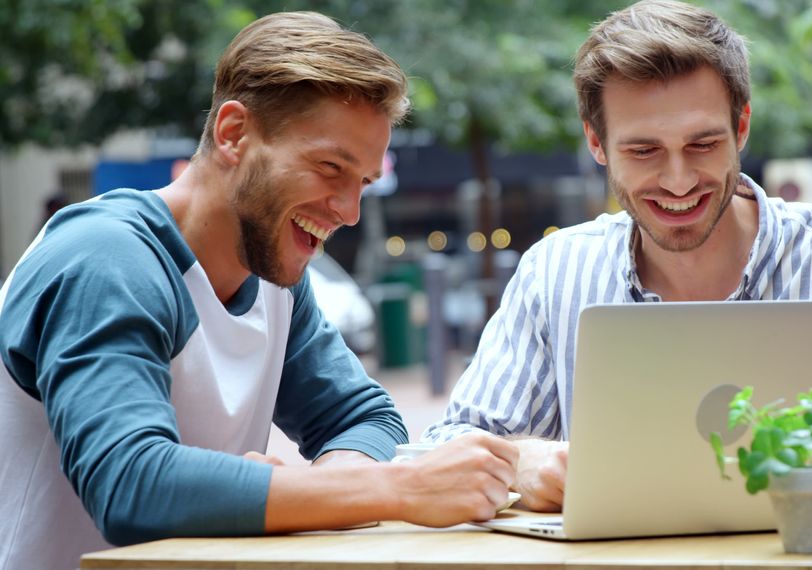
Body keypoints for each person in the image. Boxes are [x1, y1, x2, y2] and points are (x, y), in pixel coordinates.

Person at [424, 0, 812, 516]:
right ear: (596, 143)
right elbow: (450, 444)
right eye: (643, 150)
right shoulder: (555, 272)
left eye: (702, 144)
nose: (677, 180)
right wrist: (524, 462)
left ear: (741, 127)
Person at [0, 12, 516, 570]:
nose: (347, 210)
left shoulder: (272, 274)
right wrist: (394, 490)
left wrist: (325, 493)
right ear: (233, 133)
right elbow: (130, 485)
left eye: (362, 182)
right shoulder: (105, 258)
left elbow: (365, 419)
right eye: (329, 167)